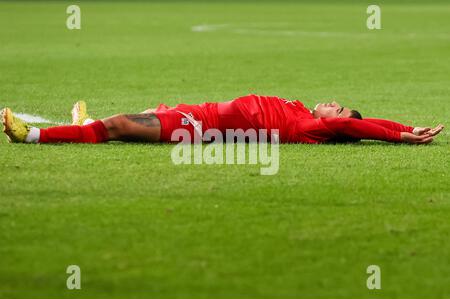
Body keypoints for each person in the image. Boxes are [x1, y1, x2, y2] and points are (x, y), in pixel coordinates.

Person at [1, 94, 444, 145]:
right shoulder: (300, 109)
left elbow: (356, 126)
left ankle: (31, 136)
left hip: (200, 129)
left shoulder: (316, 130)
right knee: (138, 116)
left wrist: (401, 134)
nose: (333, 105)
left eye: (338, 107)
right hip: (201, 112)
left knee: (116, 126)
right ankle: (84, 126)